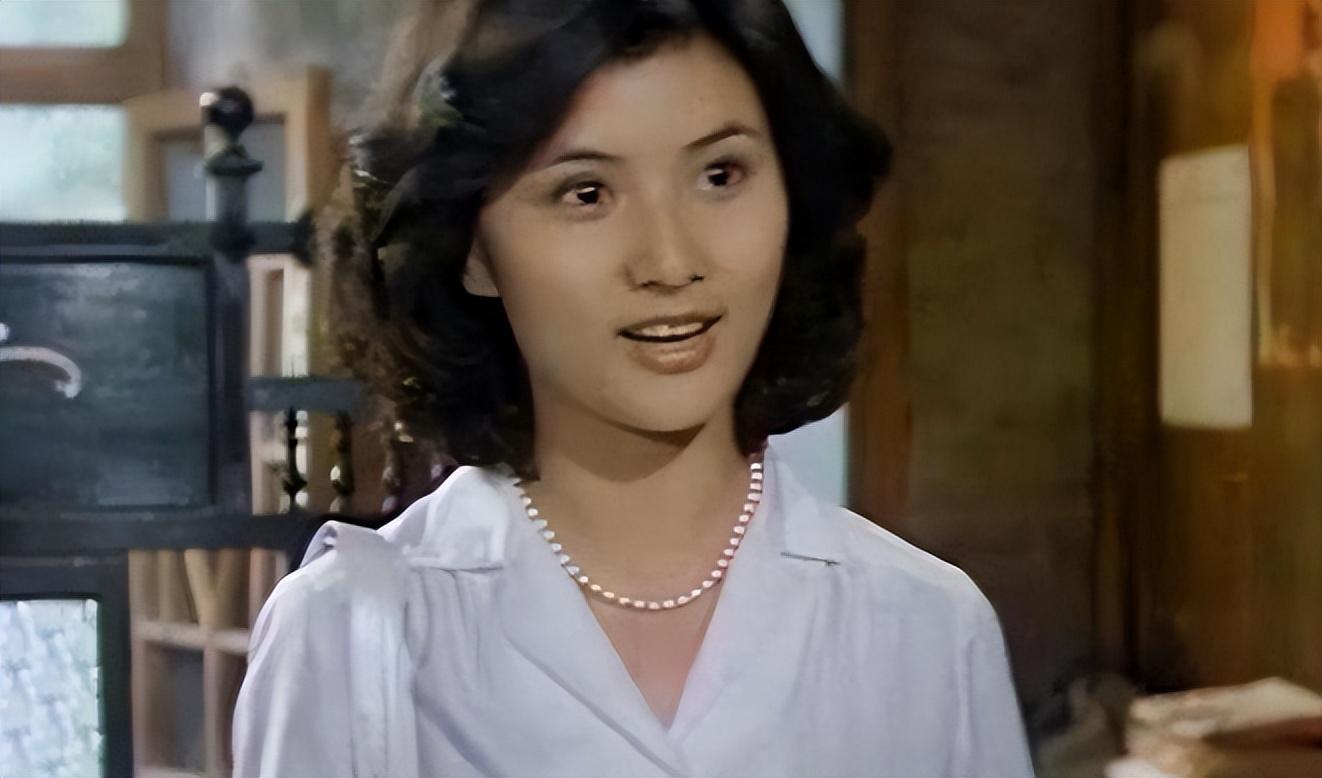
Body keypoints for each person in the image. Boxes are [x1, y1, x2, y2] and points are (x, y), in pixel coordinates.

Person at [231, 1, 1036, 775]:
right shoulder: (352, 635)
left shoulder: (924, 627)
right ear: (472, 247)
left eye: (720, 175)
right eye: (586, 194)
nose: (670, 261)